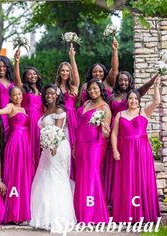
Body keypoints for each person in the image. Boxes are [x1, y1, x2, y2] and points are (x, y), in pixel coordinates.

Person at [103, 71, 159, 205]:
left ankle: (142, 208)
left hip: (142, 150)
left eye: (135, 99)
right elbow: (114, 133)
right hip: (125, 149)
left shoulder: (144, 112)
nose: (133, 101)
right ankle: (126, 208)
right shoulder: (120, 115)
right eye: (130, 99)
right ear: (126, 101)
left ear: (138, 100)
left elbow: (156, 101)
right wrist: (115, 150)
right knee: (126, 178)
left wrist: (156, 85)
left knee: (141, 177)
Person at [30, 84, 76, 233]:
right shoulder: (45, 110)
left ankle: (58, 218)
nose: (49, 96)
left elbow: (58, 130)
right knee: (44, 178)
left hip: (57, 147)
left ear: (57, 95)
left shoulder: (59, 110)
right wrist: (46, 145)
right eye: (47, 93)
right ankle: (44, 217)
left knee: (56, 178)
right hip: (46, 148)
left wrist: (54, 145)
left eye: (52, 93)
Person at [0, 86, 34, 224]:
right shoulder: (10, 106)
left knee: (24, 175)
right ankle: (14, 213)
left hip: (25, 144)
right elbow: (3, 111)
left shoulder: (24, 109)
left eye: (19, 94)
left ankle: (23, 212)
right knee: (16, 174)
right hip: (16, 142)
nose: (18, 96)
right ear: (10, 97)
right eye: (15, 95)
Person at [74, 78, 111, 224]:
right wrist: (75, 145)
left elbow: (106, 133)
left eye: (95, 88)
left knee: (92, 174)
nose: (92, 91)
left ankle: (94, 214)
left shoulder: (105, 108)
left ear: (101, 89)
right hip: (81, 144)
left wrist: (105, 129)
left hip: (95, 144)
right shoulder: (86, 103)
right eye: (90, 89)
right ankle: (81, 213)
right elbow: (79, 125)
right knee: (82, 176)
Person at [14, 50, 43, 170]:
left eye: (35, 74)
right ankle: (28, 172)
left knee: (38, 148)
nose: (33, 76)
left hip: (39, 122)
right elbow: (16, 80)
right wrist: (16, 62)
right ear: (26, 77)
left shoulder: (41, 90)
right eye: (29, 74)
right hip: (28, 121)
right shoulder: (24, 89)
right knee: (29, 147)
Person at [56, 45, 80, 181]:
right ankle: (63, 178)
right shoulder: (56, 87)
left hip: (72, 119)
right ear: (59, 72)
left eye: (67, 71)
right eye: (63, 71)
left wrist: (72, 57)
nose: (65, 73)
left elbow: (76, 75)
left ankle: (73, 178)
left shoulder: (73, 87)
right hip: (61, 120)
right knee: (61, 149)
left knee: (73, 147)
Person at [80, 39, 119, 105]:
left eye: (100, 71)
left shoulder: (108, 83)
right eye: (94, 72)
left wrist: (114, 51)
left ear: (104, 73)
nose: (97, 74)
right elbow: (80, 103)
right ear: (91, 73)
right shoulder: (85, 86)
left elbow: (114, 68)